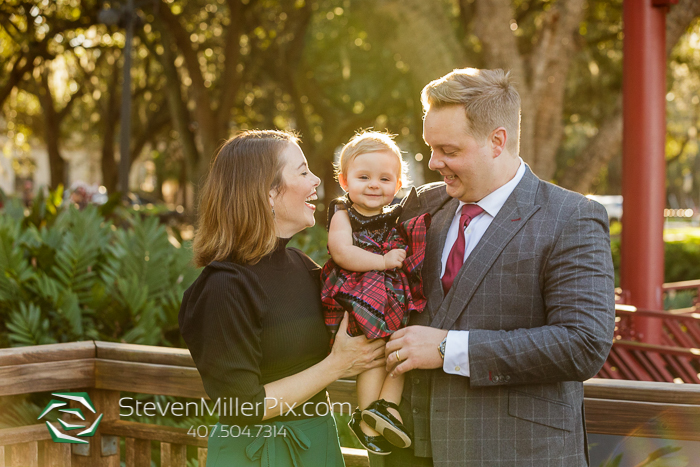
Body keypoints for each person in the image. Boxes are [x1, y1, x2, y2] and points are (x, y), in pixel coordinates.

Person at [384, 68, 616, 466]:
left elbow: (583, 344)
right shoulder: (422, 205)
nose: (434, 161)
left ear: (497, 141)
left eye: (449, 150)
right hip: (410, 453)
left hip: (514, 453)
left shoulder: (571, 216)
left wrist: (446, 349)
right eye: (430, 147)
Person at [179, 130, 386, 467]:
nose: (317, 179)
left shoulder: (303, 267)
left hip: (317, 446)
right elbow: (243, 406)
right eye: (303, 171)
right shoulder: (224, 287)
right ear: (268, 192)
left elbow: (365, 322)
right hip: (256, 455)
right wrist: (337, 365)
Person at [320, 132, 430, 456]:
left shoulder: (395, 215)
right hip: (358, 293)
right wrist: (382, 261)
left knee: (397, 349)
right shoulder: (344, 213)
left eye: (384, 178)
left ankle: (386, 409)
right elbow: (341, 252)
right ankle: (368, 412)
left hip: (391, 297)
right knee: (371, 354)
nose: (373, 184)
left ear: (397, 185)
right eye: (363, 177)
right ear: (344, 181)